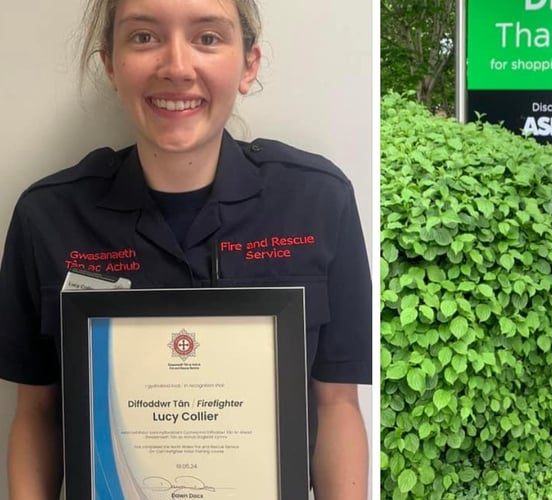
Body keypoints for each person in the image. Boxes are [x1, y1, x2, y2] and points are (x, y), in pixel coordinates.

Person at [0, 0, 371, 498]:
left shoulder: (319, 202)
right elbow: (37, 414)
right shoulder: (47, 217)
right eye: (144, 37)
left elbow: (337, 406)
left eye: (208, 38)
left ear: (248, 64)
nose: (177, 67)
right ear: (111, 64)